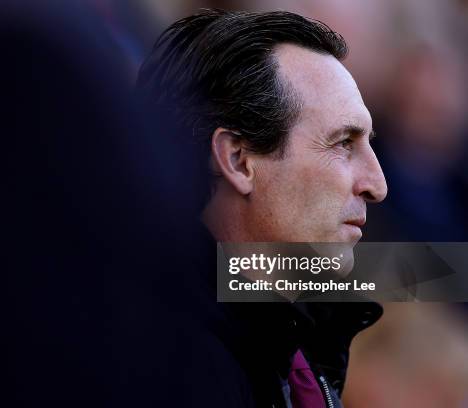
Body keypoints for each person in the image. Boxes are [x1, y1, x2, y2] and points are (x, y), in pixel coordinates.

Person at [137, 9, 388, 408]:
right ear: (237, 160)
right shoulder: (154, 369)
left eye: (369, 143)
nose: (377, 185)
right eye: (343, 143)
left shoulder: (297, 346)